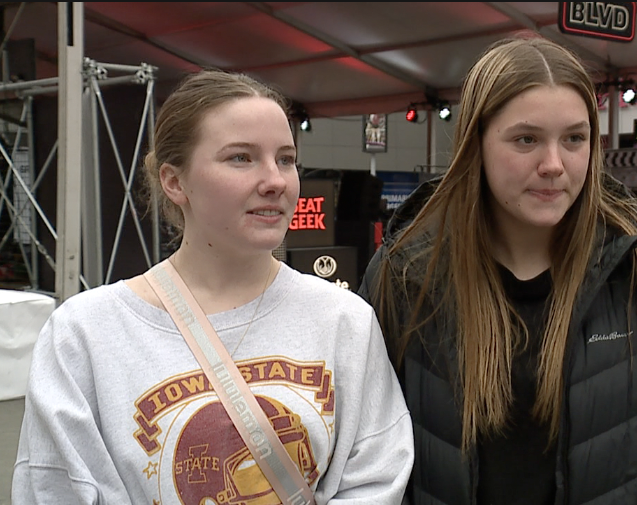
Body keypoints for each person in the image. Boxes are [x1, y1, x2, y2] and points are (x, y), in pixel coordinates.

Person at [358, 35, 637, 505]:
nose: (553, 164)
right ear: (475, 144)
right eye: (526, 139)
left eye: (574, 139)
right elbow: (355, 461)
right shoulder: (404, 275)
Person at [13, 70, 413, 504]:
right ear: (174, 181)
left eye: (285, 159)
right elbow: (54, 488)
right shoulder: (85, 334)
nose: (276, 181)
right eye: (241, 158)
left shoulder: (344, 321)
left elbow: (376, 477)